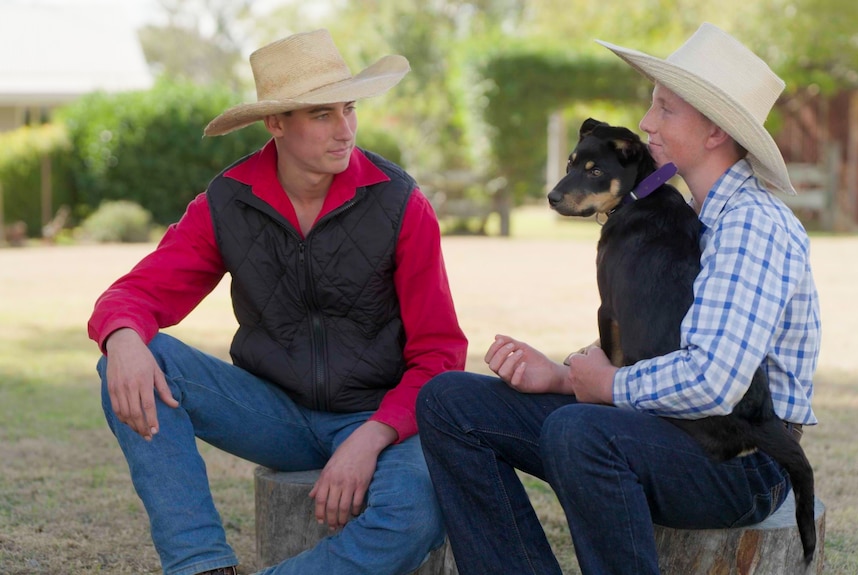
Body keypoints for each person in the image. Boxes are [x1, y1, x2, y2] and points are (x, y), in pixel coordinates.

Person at [416, 22, 820, 575]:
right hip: (668, 428)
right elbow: (662, 333)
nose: (647, 123)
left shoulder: (752, 227)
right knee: (448, 402)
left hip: (741, 460)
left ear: (714, 133)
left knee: (578, 432)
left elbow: (714, 379)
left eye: (666, 109)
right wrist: (566, 377)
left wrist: (607, 386)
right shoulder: (693, 215)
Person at [88, 29, 467, 575]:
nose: (345, 131)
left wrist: (372, 437)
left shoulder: (400, 204)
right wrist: (122, 337)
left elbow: (440, 353)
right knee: (133, 361)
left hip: (381, 418)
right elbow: (138, 292)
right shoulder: (228, 201)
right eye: (321, 115)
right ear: (276, 122)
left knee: (420, 511)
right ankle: (201, 565)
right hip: (274, 414)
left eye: (349, 109)